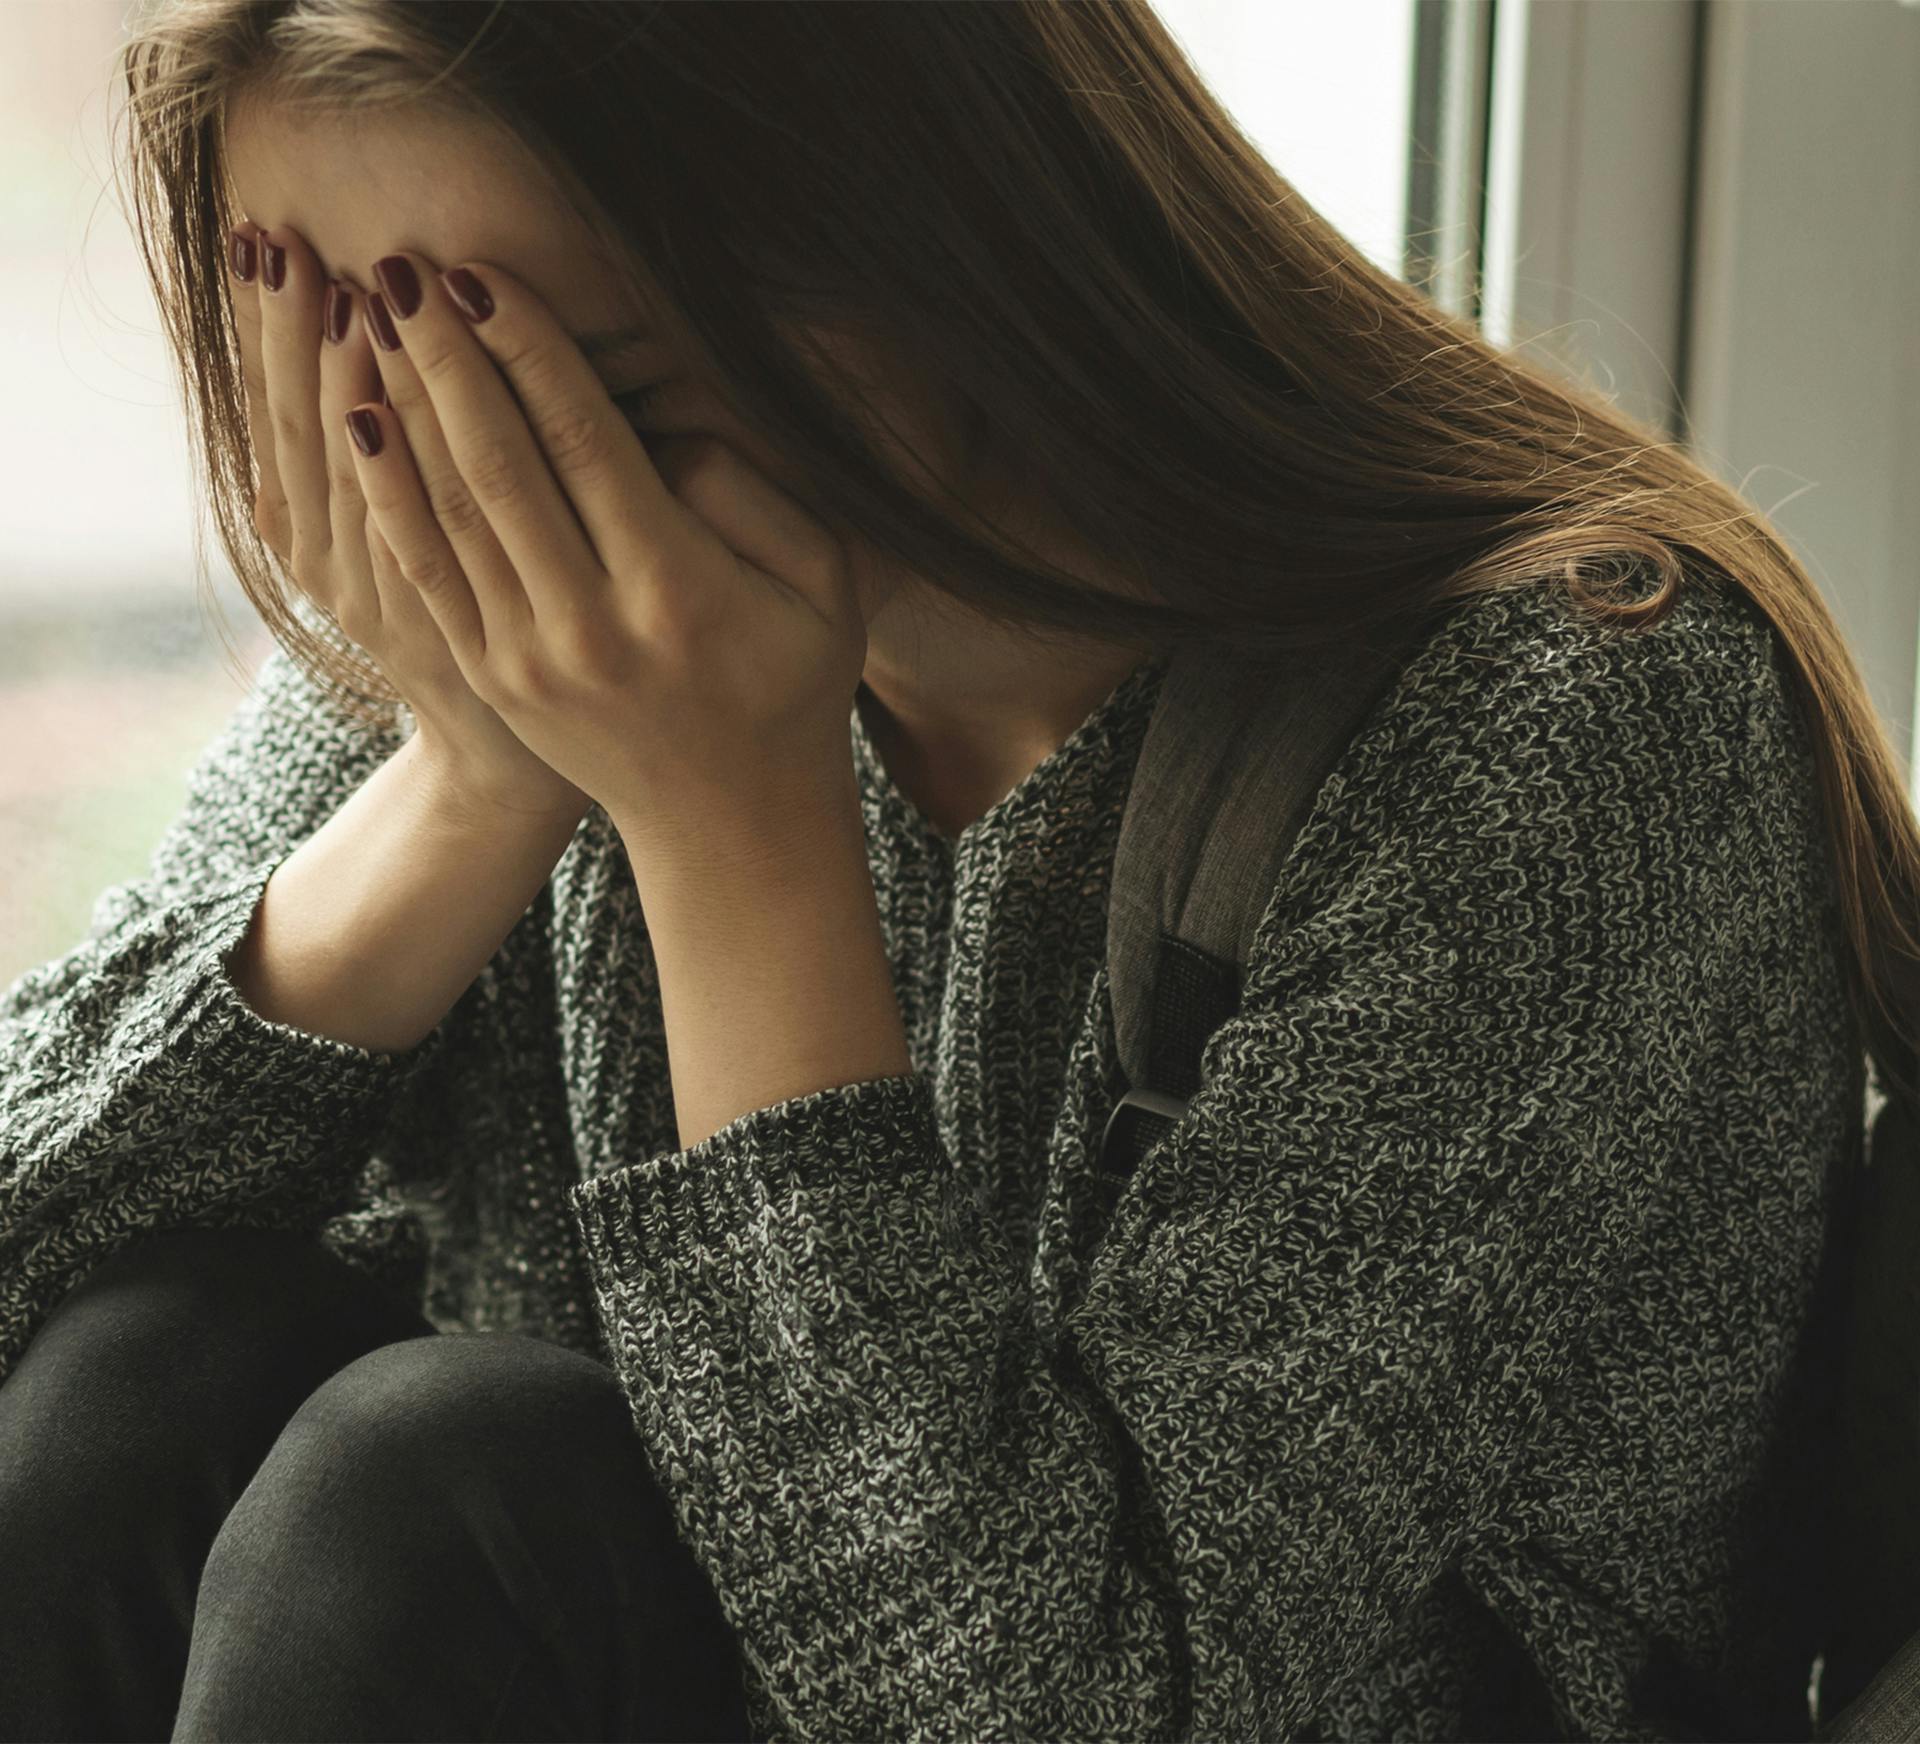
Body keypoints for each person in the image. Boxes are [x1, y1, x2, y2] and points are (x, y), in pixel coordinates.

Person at [0, 3, 1909, 1739]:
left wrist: (732, 826)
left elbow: (1044, 1712)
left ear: (931, 244)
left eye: (580, 412)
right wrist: (468, 786)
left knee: (435, 1485)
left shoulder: (1560, 730)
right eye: (376, 411)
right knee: (140, 1380)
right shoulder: (499, 635)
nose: (468, 516)